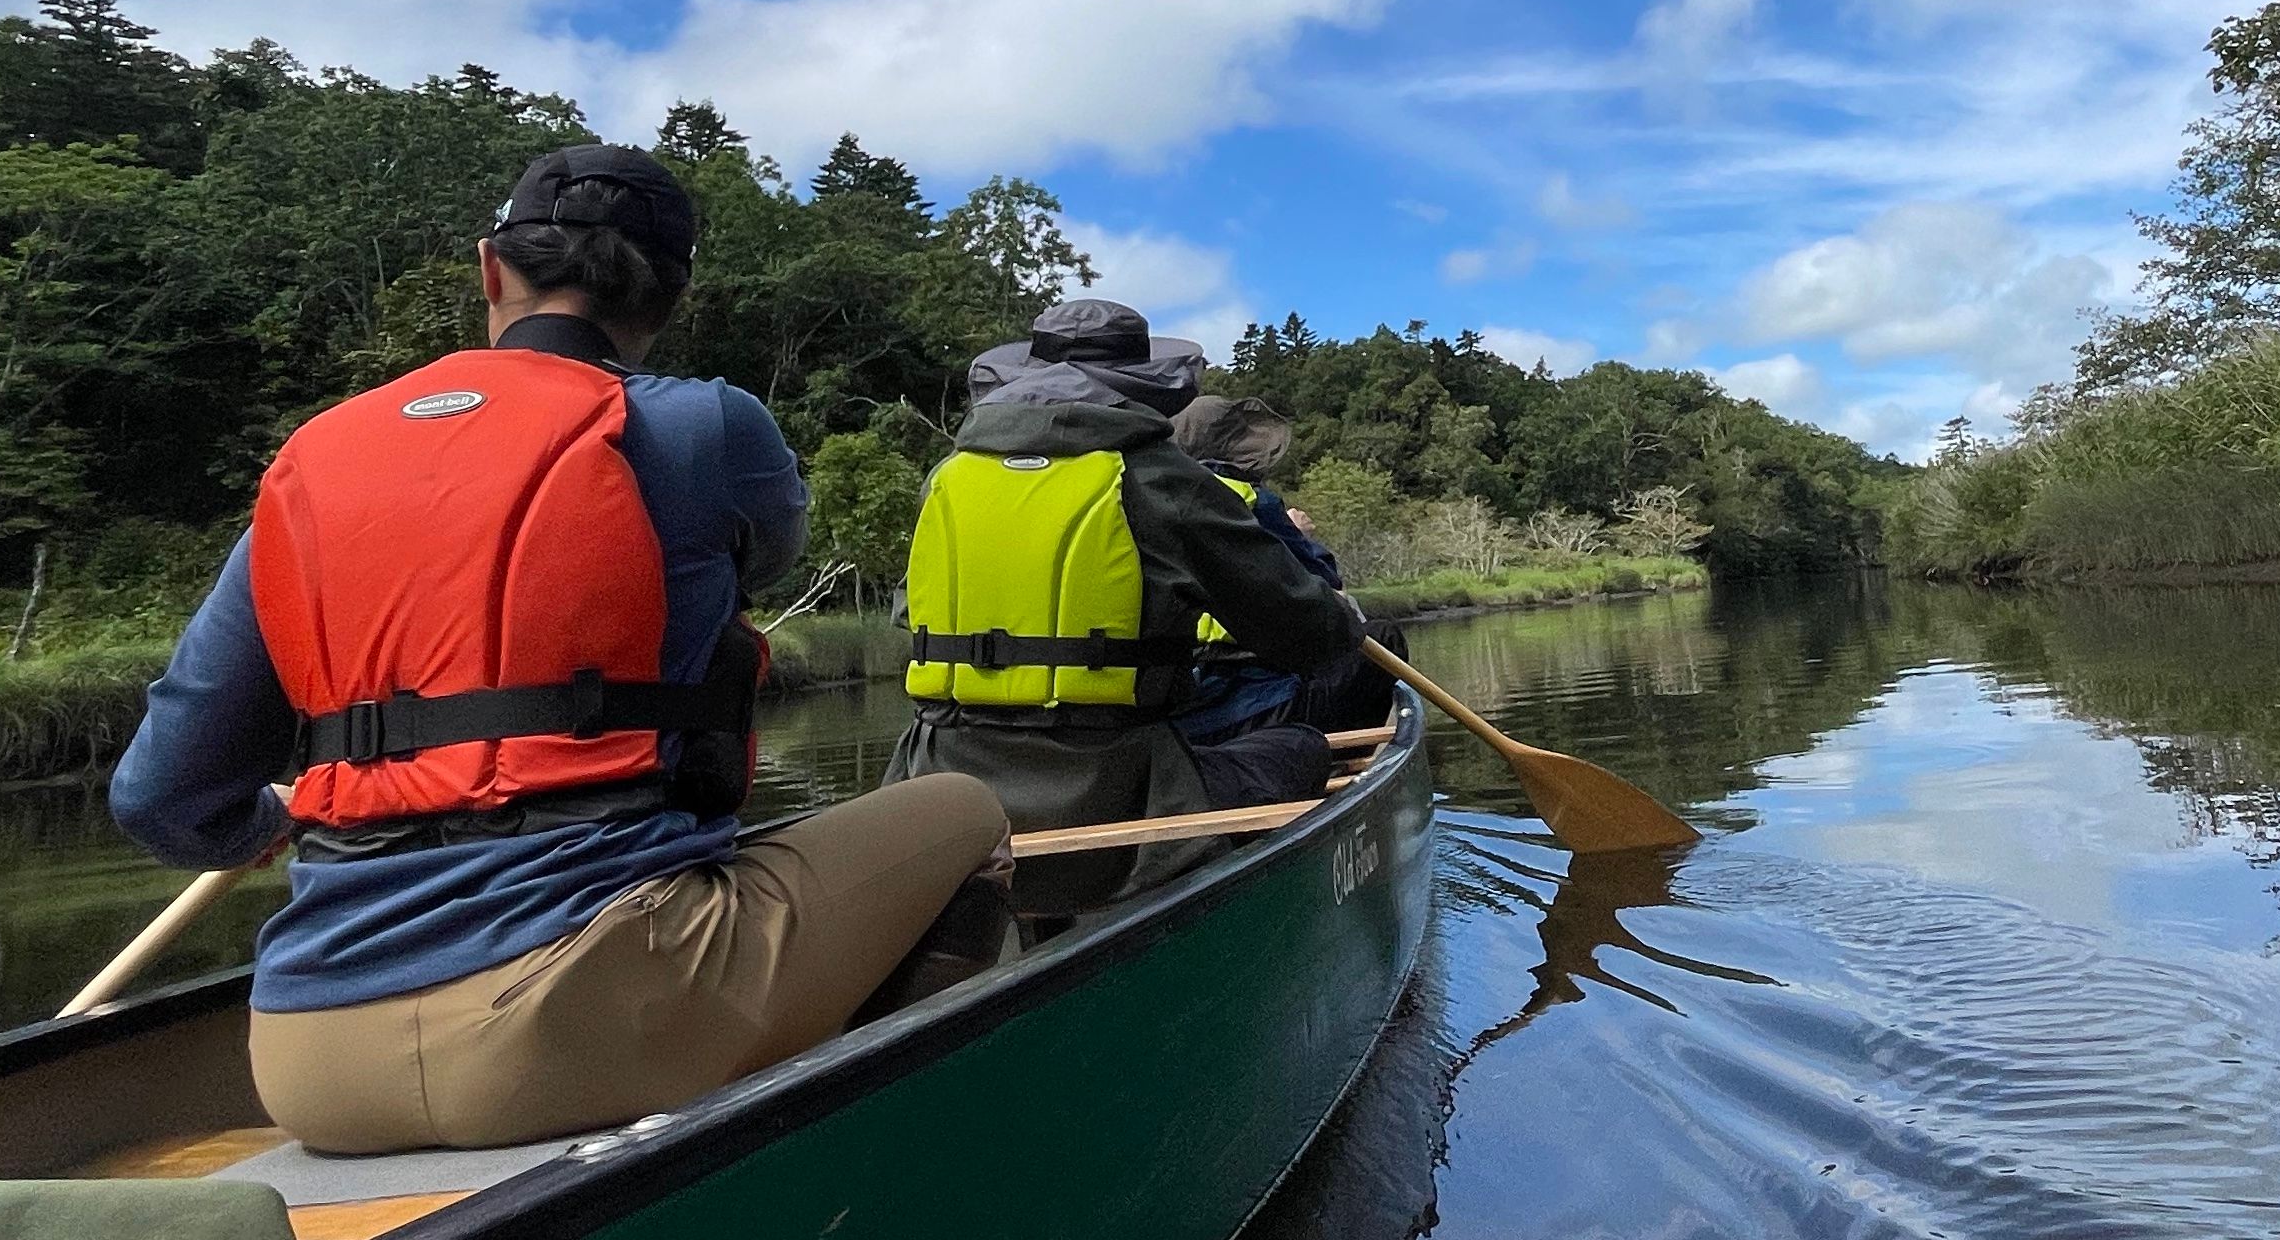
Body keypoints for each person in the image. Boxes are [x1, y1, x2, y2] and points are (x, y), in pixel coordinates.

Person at [112, 144, 1010, 1155]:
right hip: (584, 1024)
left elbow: (160, 799)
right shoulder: (706, 427)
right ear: (670, 298)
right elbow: (767, 550)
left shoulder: (312, 461)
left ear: (490, 269)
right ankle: (889, 1147)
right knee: (969, 812)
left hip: (308, 1063)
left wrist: (258, 824)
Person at [886, 301, 1366, 913]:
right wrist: (1342, 613)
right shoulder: (1158, 478)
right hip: (1116, 801)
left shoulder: (947, 478)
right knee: (1301, 747)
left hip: (941, 798)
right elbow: (1310, 636)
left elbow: (909, 613)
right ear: (1142, 386)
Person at [1169, 391, 1397, 748]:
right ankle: (1343, 755)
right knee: (1383, 638)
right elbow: (1326, 585)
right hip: (1264, 707)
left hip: (1187, 720)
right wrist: (1300, 537)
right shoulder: (1254, 501)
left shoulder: (1151, 501)